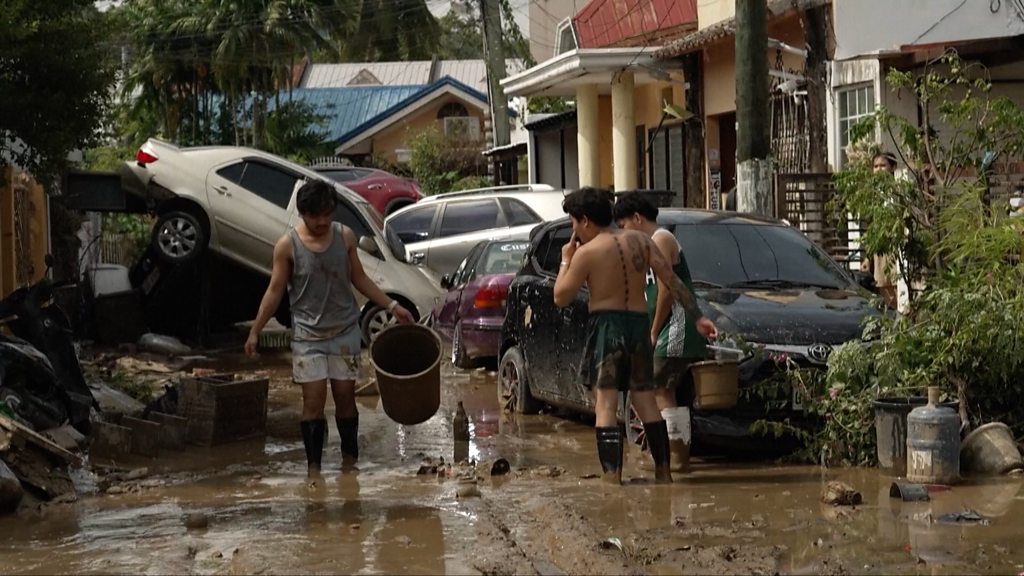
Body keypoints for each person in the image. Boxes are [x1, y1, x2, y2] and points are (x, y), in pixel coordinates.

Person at [245, 180, 414, 477]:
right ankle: (314, 468)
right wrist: (255, 331)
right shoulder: (287, 245)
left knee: (345, 396)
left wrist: (391, 306)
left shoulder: (344, 237)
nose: (323, 222)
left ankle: (350, 463)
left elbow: (359, 279)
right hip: (307, 336)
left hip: (345, 332)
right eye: (315, 216)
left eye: (328, 214)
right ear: (302, 213)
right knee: (312, 400)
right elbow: (274, 291)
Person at [553, 187, 717, 484]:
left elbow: (560, 297)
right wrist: (699, 317)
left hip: (607, 327)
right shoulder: (642, 241)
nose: (573, 229)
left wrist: (566, 259)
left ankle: (611, 479)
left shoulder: (587, 253)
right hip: (639, 326)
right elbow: (672, 280)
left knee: (605, 404)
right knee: (646, 402)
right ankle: (663, 473)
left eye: (574, 223)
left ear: (585, 221)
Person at [613, 192, 714, 474]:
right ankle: (673, 457)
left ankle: (676, 457)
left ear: (637, 218)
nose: (622, 232)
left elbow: (667, 291)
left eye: (623, 226)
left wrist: (654, 331)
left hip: (676, 324)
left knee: (660, 388)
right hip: (665, 324)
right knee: (662, 388)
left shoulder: (660, 239)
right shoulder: (647, 243)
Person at [862, 151, 899, 307]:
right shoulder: (872, 195)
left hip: (895, 246)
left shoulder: (898, 192)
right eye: (875, 166)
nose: (878, 169)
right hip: (879, 249)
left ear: (892, 168)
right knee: (883, 288)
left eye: (883, 165)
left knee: (897, 289)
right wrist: (866, 256)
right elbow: (870, 229)